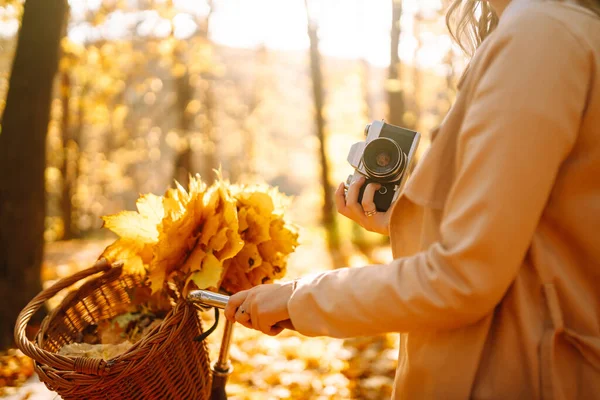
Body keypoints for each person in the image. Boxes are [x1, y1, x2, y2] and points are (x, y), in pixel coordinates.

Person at [224, 0, 600, 397]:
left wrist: (298, 298)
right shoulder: (560, 31)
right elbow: (537, 239)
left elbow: (462, 278)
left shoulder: (540, 35)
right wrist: (403, 222)